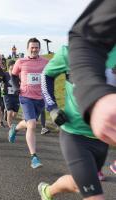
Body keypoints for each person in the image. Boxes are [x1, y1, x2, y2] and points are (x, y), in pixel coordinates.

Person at [38, 45, 112, 200]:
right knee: (94, 195)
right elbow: (46, 75)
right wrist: (52, 108)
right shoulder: (70, 51)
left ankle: (48, 191)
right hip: (75, 134)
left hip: (103, 138)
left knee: (78, 184)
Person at [69, 0, 116, 146]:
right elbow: (86, 37)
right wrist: (94, 94)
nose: (35, 49)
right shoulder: (63, 53)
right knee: (31, 123)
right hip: (74, 128)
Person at [8, 38, 48, 169]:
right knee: (32, 124)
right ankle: (34, 157)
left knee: (29, 123)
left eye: (37, 47)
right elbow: (13, 76)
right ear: (27, 48)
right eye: (32, 47)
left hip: (40, 98)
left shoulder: (45, 62)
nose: (35, 49)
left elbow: (51, 75)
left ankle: (15, 128)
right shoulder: (21, 61)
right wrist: (15, 87)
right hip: (25, 97)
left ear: (39, 48)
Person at [3, 60, 19, 128]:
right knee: (10, 112)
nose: (13, 68)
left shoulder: (17, 75)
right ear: (9, 67)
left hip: (16, 96)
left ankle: (6, 112)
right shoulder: (5, 74)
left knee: (14, 114)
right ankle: (10, 127)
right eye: (12, 66)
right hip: (7, 96)